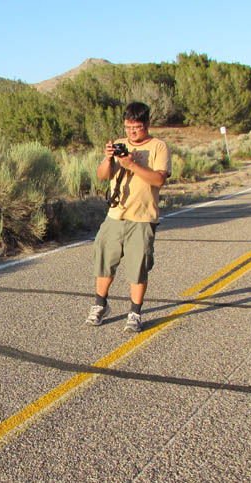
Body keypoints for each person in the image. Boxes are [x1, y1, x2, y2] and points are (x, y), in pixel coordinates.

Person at [85, 102, 171, 332]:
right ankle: (100, 305)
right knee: (104, 261)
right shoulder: (120, 145)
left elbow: (159, 180)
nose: (132, 132)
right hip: (115, 215)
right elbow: (102, 176)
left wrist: (131, 164)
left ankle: (135, 313)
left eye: (137, 127)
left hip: (142, 218)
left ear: (147, 124)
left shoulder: (158, 147)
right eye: (128, 127)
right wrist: (108, 159)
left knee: (138, 267)